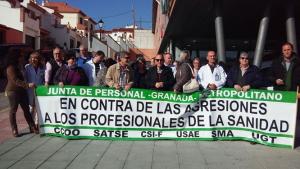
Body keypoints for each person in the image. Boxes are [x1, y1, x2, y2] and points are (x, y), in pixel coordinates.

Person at [5, 49, 38, 137]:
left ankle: (32, 127)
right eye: (20, 56)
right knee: (13, 110)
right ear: (15, 57)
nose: (22, 58)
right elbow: (16, 80)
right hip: (13, 91)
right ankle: (14, 129)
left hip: (22, 91)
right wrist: (27, 85)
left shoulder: (20, 65)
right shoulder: (10, 67)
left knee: (26, 110)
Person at [25, 51, 45, 126]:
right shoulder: (27, 67)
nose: (33, 59)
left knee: (38, 107)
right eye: (32, 58)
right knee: (31, 108)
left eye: (35, 58)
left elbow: (44, 79)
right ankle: (31, 124)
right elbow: (25, 79)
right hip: (30, 90)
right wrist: (27, 85)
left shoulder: (43, 67)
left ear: (39, 59)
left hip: (40, 90)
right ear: (30, 59)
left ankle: (37, 124)